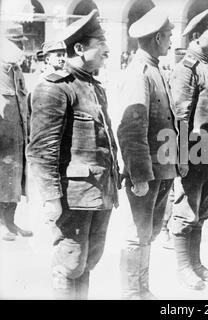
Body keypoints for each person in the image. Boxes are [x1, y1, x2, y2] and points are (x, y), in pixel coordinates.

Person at [27, 10, 120, 299]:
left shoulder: (92, 85)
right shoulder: (55, 88)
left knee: (88, 260)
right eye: (100, 42)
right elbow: (42, 150)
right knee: (69, 264)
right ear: (79, 48)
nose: (107, 49)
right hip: (73, 197)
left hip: (97, 193)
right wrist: (51, 198)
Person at [117, 7, 177, 300]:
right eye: (168, 35)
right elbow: (132, 128)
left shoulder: (154, 68)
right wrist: (139, 175)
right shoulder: (140, 72)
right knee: (136, 234)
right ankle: (131, 292)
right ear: (157, 37)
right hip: (147, 172)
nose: (171, 40)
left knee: (148, 233)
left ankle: (142, 288)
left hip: (161, 169)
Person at [168, 8, 208, 290]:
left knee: (202, 210)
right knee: (186, 211)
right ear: (195, 36)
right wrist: (181, 156)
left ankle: (196, 264)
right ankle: (183, 267)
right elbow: (180, 116)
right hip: (194, 152)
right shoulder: (187, 69)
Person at [0, 23, 33, 241]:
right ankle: (4, 225)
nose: (20, 47)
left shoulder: (17, 70)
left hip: (18, 137)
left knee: (14, 183)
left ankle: (10, 222)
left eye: (20, 42)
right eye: (15, 43)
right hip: (2, 140)